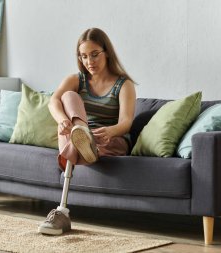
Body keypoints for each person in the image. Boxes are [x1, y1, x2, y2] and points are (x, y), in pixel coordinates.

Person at [38, 27, 136, 235]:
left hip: (108, 139)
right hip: (81, 133)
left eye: (94, 55)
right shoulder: (77, 80)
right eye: (83, 56)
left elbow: (126, 122)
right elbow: (53, 101)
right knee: (68, 98)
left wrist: (110, 131)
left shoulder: (123, 85)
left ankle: (61, 212)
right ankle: (82, 140)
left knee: (81, 136)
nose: (89, 61)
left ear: (107, 52)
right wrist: (64, 120)